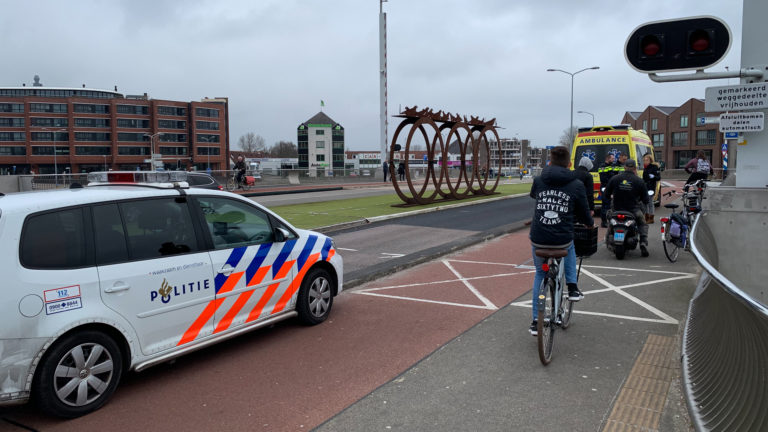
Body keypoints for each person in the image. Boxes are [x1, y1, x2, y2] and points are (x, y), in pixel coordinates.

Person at [528, 146, 594, 335]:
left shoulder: (539, 180)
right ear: (569, 163)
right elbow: (584, 211)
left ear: (550, 161)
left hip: (538, 239)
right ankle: (572, 287)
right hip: (561, 240)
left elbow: (534, 195)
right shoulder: (576, 184)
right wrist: (589, 224)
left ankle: (535, 321)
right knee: (570, 246)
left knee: (540, 274)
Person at [603, 159, 650, 257]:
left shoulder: (615, 178)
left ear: (624, 167)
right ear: (635, 168)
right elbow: (646, 199)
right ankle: (643, 242)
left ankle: (608, 239)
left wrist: (612, 196)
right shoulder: (639, 181)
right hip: (633, 210)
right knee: (642, 223)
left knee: (610, 221)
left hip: (616, 209)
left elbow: (606, 194)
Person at [597, 153, 618, 228]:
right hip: (605, 187)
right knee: (605, 205)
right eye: (612, 158)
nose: (613, 160)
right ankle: (604, 222)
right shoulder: (602, 166)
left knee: (610, 205)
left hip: (611, 187)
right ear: (608, 158)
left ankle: (610, 221)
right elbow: (603, 178)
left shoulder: (612, 166)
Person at [642, 154, 660, 224]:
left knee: (650, 202)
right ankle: (646, 217)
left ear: (650, 160)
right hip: (645, 187)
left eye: (647, 160)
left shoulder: (654, 167)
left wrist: (654, 177)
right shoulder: (645, 168)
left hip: (651, 187)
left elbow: (658, 177)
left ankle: (651, 218)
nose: (645, 162)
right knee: (645, 202)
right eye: (644, 160)